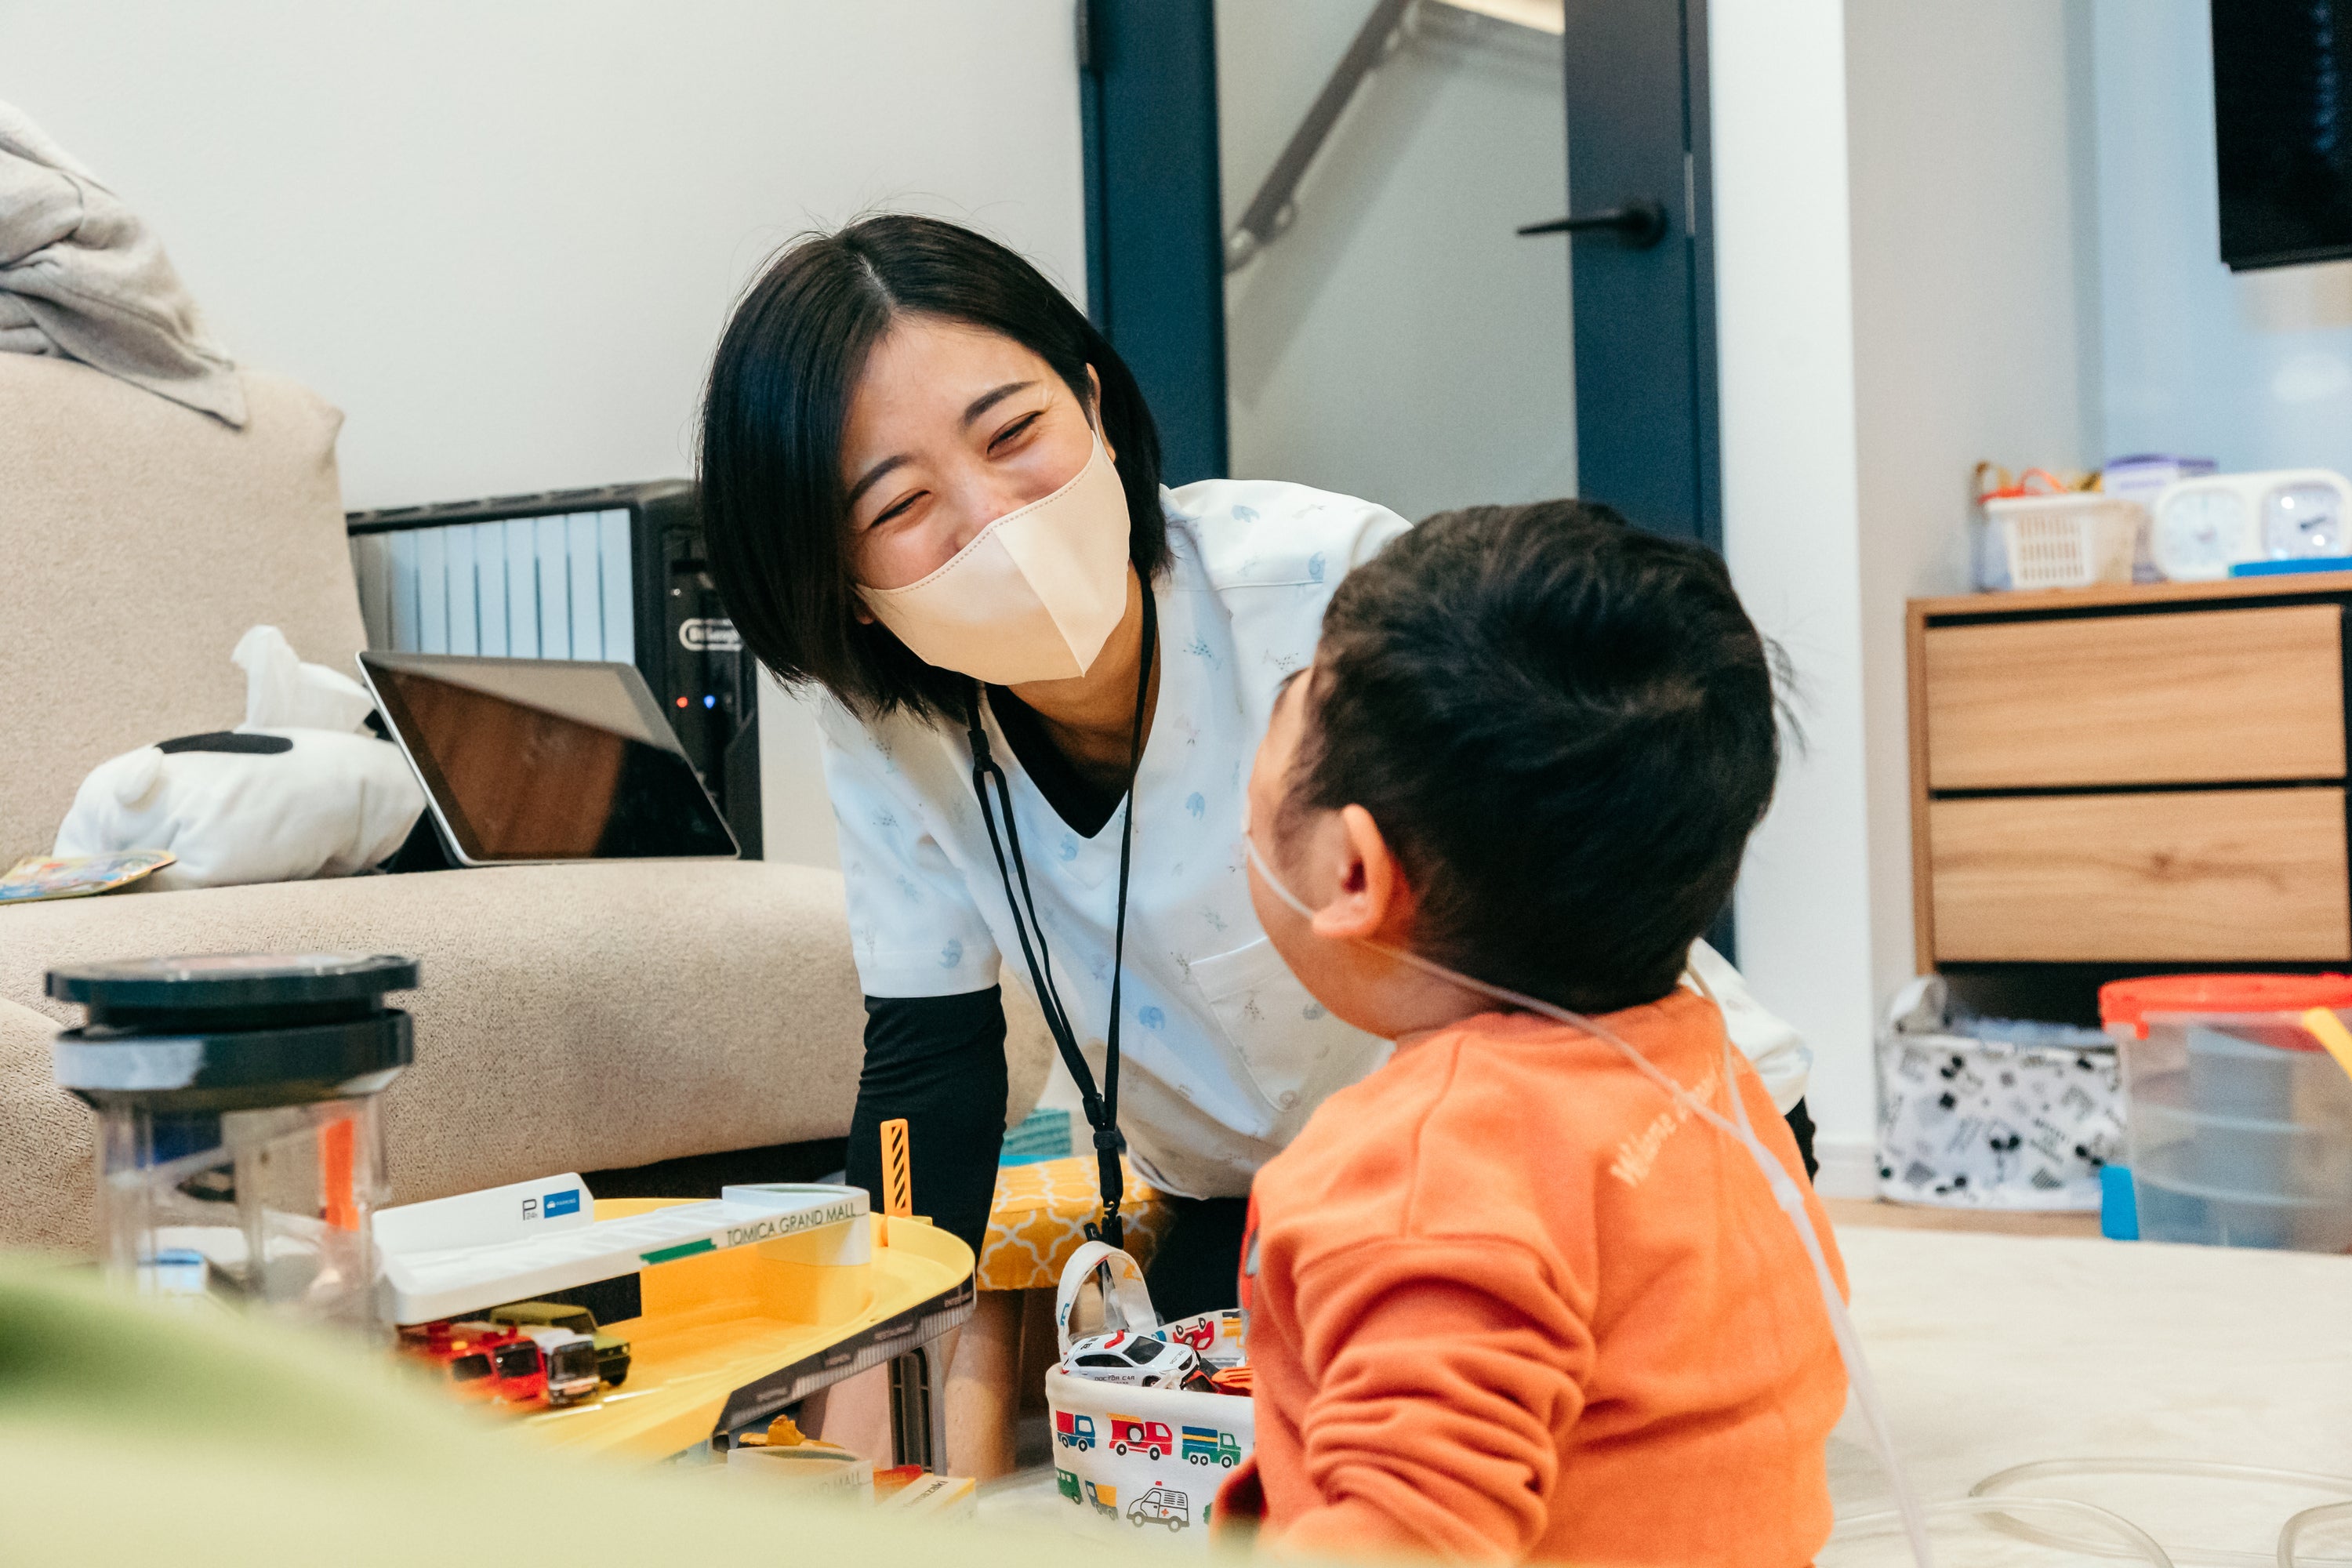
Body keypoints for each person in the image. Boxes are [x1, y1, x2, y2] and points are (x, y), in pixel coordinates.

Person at [697, 213, 1814, 1320]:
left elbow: (1567, 923)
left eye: (1013, 432)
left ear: (1094, 407)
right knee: (1203, 1382)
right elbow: (927, 1067)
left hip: (1589, 1123)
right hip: (1271, 1195)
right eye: (901, 504)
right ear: (841, 584)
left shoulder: (1330, 590)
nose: (994, 520)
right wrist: (876, 1362)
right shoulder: (889, 727)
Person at [1221, 502, 1846, 1565]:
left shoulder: (1423, 1167)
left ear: (1354, 872)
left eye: (1287, 712)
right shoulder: (1697, 1056)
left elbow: (1406, 1534)